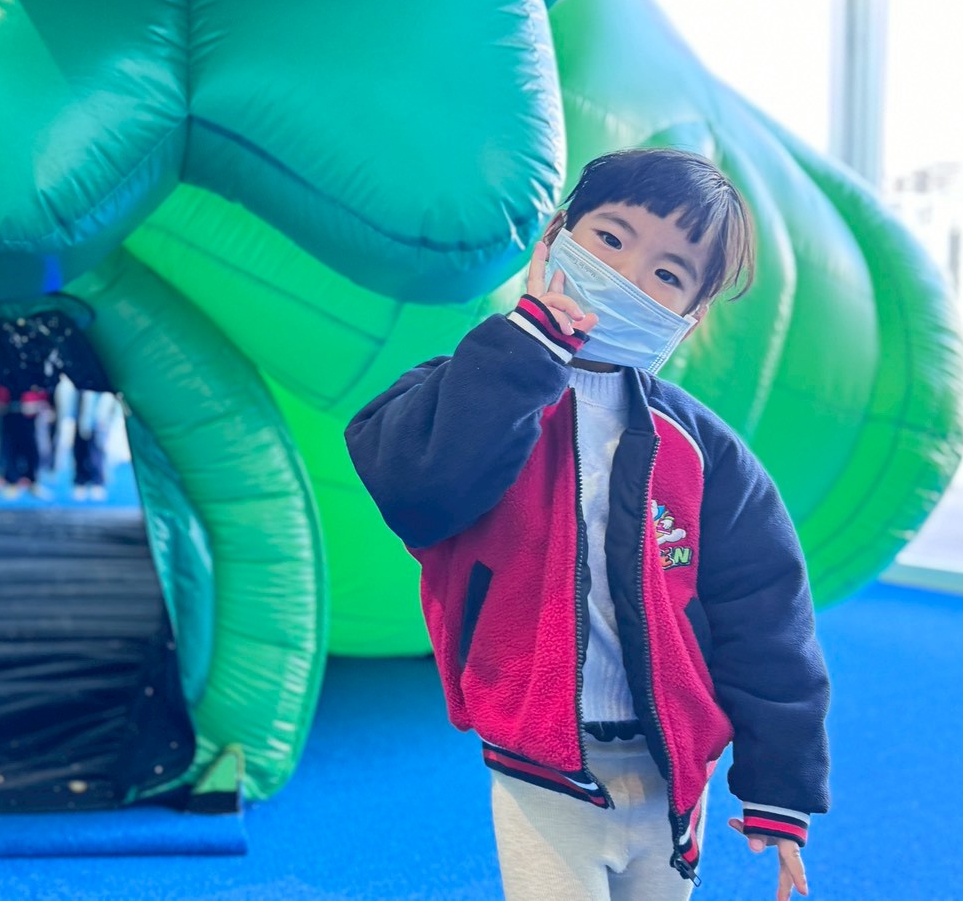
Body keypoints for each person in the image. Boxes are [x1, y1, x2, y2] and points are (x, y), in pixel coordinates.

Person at [344, 148, 829, 900]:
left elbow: (766, 615)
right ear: (554, 237)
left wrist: (779, 784)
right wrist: (527, 346)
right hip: (541, 767)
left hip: (672, 768)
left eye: (666, 274)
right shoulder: (476, 388)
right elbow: (417, 492)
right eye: (609, 238)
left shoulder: (702, 452)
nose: (628, 276)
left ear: (690, 317)